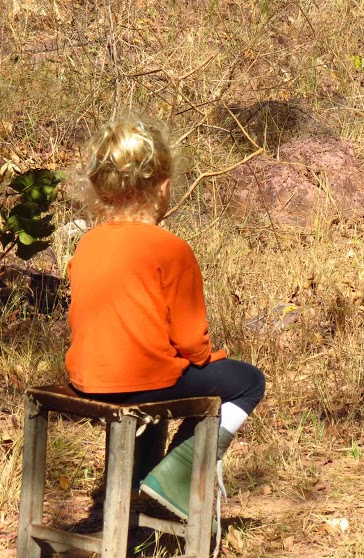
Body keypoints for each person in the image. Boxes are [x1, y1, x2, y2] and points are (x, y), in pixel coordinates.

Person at [65, 115, 265, 520]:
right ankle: (176, 475)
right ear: (163, 186)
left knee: (159, 374)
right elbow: (192, 343)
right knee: (247, 381)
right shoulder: (171, 249)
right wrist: (211, 356)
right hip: (142, 383)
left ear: (103, 190)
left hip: (86, 380)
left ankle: (143, 483)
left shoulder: (86, 243)